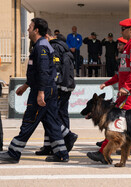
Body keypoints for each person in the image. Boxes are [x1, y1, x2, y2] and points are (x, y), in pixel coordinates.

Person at [0, 18, 69, 163]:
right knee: (51, 121)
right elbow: (36, 71)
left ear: (36, 30)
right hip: (44, 88)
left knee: (29, 120)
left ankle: (13, 153)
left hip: (42, 89)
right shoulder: (40, 45)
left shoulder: (41, 47)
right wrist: (26, 86)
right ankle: (62, 152)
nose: (28, 29)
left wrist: (40, 92)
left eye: (30, 27)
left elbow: (43, 71)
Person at [87, 18, 131, 163]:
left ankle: (103, 153)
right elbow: (124, 72)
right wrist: (109, 83)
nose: (121, 32)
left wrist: (126, 87)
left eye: (123, 29)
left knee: (117, 120)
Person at [34, 29, 78, 156]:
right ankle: (54, 145)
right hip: (66, 86)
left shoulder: (54, 46)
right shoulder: (65, 48)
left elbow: (55, 67)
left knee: (50, 116)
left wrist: (51, 84)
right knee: (61, 115)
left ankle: (65, 139)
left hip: (58, 87)